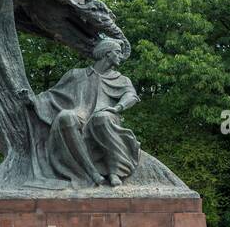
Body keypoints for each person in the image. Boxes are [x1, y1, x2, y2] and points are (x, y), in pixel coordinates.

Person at [19, 35, 140, 187]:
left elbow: (131, 95)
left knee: (101, 118)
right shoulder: (76, 75)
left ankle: (114, 171)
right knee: (65, 117)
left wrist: (117, 108)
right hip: (81, 113)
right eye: (117, 52)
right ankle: (91, 173)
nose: (120, 57)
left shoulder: (121, 79)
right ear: (107, 53)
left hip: (107, 115)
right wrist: (32, 101)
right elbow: (52, 94)